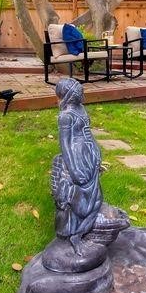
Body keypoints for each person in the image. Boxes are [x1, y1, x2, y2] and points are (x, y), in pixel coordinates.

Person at [50, 78, 103, 253]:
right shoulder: (66, 116)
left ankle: (82, 232)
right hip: (76, 156)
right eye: (78, 92)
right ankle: (72, 235)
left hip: (88, 155)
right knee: (78, 201)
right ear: (69, 95)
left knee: (96, 200)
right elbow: (65, 144)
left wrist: (97, 155)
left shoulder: (81, 110)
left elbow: (88, 134)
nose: (82, 94)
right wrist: (74, 169)